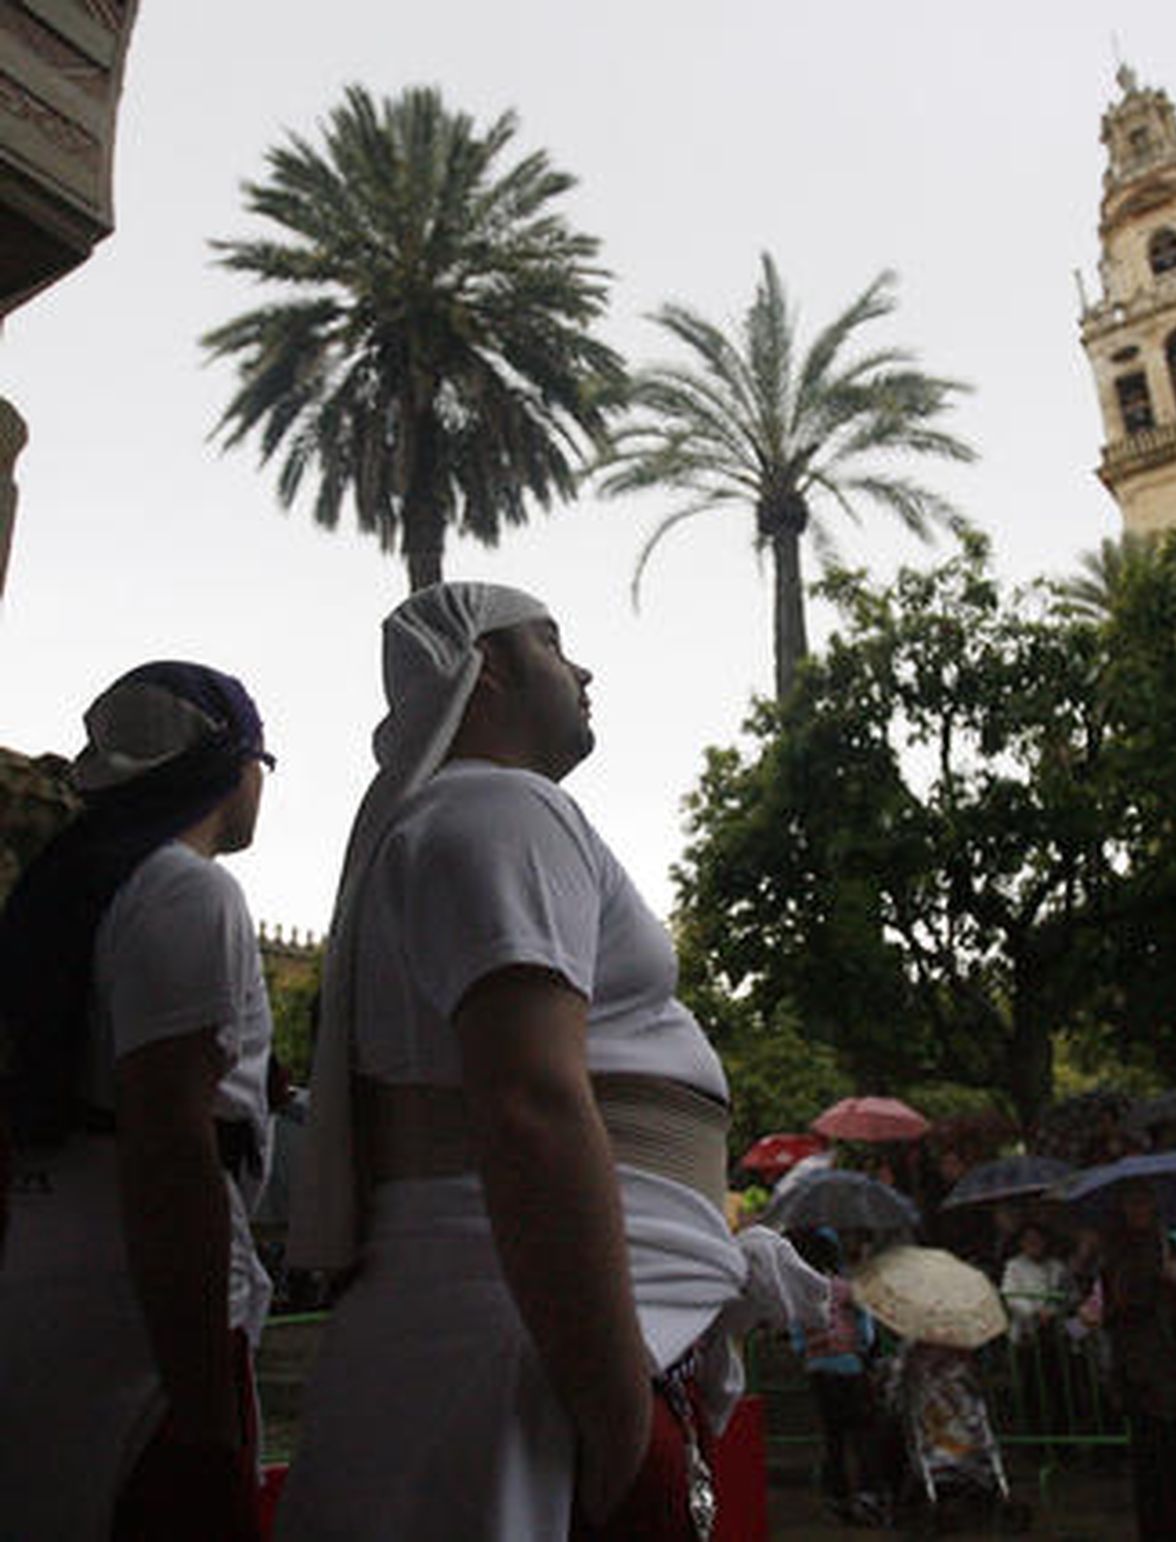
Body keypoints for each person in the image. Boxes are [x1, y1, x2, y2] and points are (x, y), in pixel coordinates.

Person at [276, 583, 823, 1541]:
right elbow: (530, 1103)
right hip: (532, 1347)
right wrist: (616, 1413)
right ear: (483, 670)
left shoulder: (472, 817)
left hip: (530, 1332)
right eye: (554, 644)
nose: (582, 671)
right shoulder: (501, 808)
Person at [0, 661, 277, 1540]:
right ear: (232, 765)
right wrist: (205, 1409)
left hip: (43, 1256)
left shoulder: (70, 887)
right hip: (141, 1301)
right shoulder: (187, 890)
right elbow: (168, 1140)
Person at [1100, 1180, 1176, 1541]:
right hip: (1139, 1370)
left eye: (1144, 1203)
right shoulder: (1115, 1252)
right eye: (1132, 1203)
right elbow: (1114, 1308)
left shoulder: (1169, 1246)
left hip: (1174, 1363)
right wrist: (1154, 1283)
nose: (1139, 1210)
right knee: (1150, 1461)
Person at [789, 1228, 887, 1524]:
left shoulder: (801, 1294)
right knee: (863, 1434)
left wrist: (811, 1349)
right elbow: (866, 1331)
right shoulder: (846, 1289)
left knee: (832, 1438)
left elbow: (796, 1339)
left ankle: (837, 1498)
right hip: (850, 1367)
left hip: (819, 1370)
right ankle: (868, 1496)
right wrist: (860, 1349)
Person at [1000, 1222, 1070, 1434]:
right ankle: (1036, 1438)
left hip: (1054, 1334)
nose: (1034, 1244)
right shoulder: (1014, 1266)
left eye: (1037, 1239)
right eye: (1028, 1240)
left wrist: (1053, 1310)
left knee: (1058, 1388)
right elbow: (1010, 1296)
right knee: (1031, 1389)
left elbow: (1067, 1295)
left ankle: (1062, 1437)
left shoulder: (1057, 1266)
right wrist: (1032, 1311)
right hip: (1027, 1335)